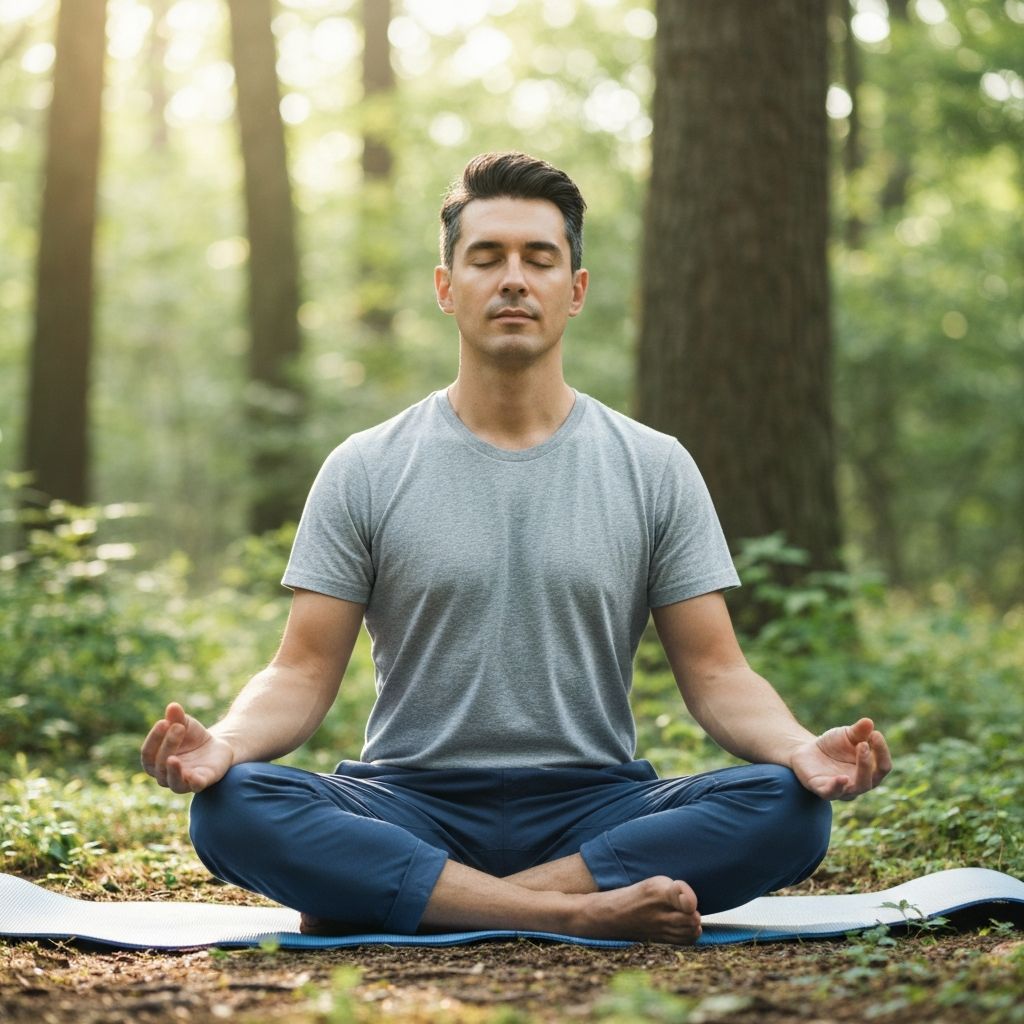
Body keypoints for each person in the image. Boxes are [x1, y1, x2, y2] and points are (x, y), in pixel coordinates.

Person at [141, 152, 891, 946]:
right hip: (410, 802)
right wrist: (223, 743)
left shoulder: (654, 465)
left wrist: (799, 748)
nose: (512, 279)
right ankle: (569, 911)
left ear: (575, 290)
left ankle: (413, 899)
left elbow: (715, 671)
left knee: (788, 811)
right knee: (233, 806)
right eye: (486, 257)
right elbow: (299, 672)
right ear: (445, 287)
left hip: (595, 809)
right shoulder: (365, 466)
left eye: (539, 258)